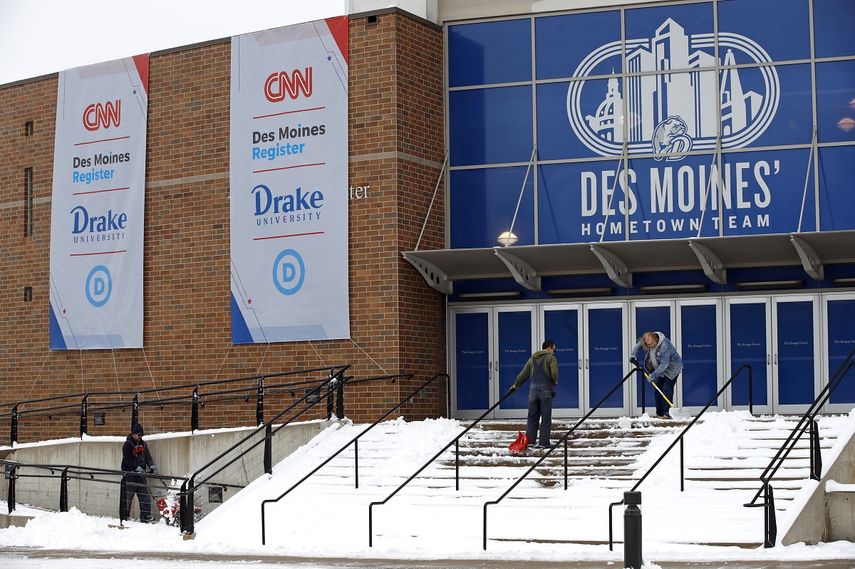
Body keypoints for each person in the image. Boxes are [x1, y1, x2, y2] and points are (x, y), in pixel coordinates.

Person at [510, 340, 558, 449]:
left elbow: (523, 374)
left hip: (533, 391)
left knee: (532, 417)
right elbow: (554, 373)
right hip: (546, 390)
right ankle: (543, 443)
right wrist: (554, 381)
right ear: (549, 348)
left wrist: (515, 385)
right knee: (545, 417)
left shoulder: (532, 359)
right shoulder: (551, 358)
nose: (554, 352)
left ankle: (530, 441)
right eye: (553, 349)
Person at [630, 331, 683, 420]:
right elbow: (638, 345)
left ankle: (667, 412)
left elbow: (664, 365)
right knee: (658, 389)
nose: (651, 346)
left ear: (656, 339)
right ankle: (660, 413)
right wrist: (633, 355)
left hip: (672, 369)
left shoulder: (665, 345)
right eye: (649, 345)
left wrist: (652, 375)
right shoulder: (647, 341)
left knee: (666, 388)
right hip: (658, 369)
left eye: (653, 343)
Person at [121, 423, 157, 523]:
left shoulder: (143, 444)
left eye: (141, 435)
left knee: (145, 496)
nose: (140, 437)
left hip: (141, 476)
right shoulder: (128, 445)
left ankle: (145, 516)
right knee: (127, 498)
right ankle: (124, 517)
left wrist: (151, 466)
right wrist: (136, 468)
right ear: (133, 434)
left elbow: (147, 457)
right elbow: (128, 460)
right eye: (138, 435)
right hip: (130, 475)